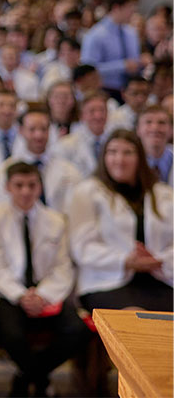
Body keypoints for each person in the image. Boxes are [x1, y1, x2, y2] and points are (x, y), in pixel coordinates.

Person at [0, 162, 90, 398]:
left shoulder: (55, 220)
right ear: (7, 187)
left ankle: (27, 376)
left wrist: (43, 295)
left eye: (31, 185)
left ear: (40, 187)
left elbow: (63, 268)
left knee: (77, 330)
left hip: (47, 294)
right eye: (18, 185)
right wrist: (21, 295)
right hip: (10, 293)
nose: (25, 192)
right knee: (9, 333)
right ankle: (40, 381)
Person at [68, 129, 173, 311]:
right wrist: (125, 260)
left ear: (140, 157)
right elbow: (82, 247)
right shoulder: (87, 192)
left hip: (160, 278)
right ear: (104, 157)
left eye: (128, 152)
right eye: (113, 152)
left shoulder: (163, 194)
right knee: (136, 319)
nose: (120, 160)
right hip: (107, 281)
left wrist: (158, 260)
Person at [0, 109, 81, 214]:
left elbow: (73, 210)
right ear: (21, 131)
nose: (38, 135)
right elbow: (0, 209)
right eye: (32, 129)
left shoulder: (68, 170)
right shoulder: (6, 169)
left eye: (43, 129)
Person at [81, 0, 142, 101]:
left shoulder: (131, 33)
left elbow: (134, 61)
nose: (133, 13)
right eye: (130, 8)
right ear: (116, 8)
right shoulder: (95, 35)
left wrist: (141, 62)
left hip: (131, 91)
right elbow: (89, 69)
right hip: (107, 90)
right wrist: (122, 66)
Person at [54, 90, 111, 177]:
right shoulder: (66, 144)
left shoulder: (114, 141)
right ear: (82, 115)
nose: (98, 116)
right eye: (92, 111)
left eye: (102, 110)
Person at [137, 105, 173, 184]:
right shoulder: (129, 160)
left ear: (171, 130)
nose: (155, 128)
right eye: (148, 122)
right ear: (138, 129)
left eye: (162, 123)